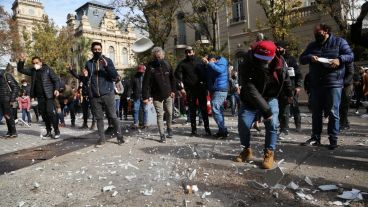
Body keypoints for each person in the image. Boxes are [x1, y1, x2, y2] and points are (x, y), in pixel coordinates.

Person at [234, 40, 292, 169]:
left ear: (273, 55)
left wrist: (289, 94)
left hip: (270, 96)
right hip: (250, 98)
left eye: (266, 60)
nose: (263, 63)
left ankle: (269, 153)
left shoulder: (281, 62)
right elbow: (250, 89)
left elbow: (285, 78)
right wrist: (266, 111)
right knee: (243, 123)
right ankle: (246, 150)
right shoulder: (246, 63)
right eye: (260, 59)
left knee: (272, 124)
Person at [299, 23, 354, 150]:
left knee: (333, 112)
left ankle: (333, 139)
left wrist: (339, 59)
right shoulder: (312, 45)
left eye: (317, 31)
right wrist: (310, 57)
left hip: (333, 83)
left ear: (325, 31)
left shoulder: (339, 42)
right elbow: (301, 59)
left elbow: (350, 56)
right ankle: (315, 138)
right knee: (316, 112)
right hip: (316, 84)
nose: (315, 34)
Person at [84, 42, 124, 145]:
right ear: (92, 50)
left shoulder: (108, 61)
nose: (97, 51)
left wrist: (106, 66)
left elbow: (114, 76)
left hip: (107, 93)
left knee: (113, 116)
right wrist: (84, 76)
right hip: (94, 96)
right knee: (99, 118)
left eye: (99, 49)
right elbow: (87, 80)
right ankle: (102, 138)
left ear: (101, 50)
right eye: (95, 49)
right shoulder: (88, 63)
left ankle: (119, 136)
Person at [17, 54, 61, 139]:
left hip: (48, 95)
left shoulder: (48, 70)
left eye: (37, 62)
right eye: (33, 63)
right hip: (39, 97)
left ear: (41, 62)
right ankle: (48, 131)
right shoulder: (33, 71)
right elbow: (20, 69)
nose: (35, 64)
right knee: (44, 115)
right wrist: (21, 61)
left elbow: (56, 80)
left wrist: (56, 89)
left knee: (50, 112)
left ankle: (56, 130)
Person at [142, 47, 176, 143]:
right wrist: (145, 97)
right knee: (160, 114)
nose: (158, 59)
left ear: (163, 56)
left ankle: (169, 128)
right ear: (154, 57)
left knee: (169, 112)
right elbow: (146, 83)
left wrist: (174, 90)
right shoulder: (150, 67)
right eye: (156, 57)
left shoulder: (167, 65)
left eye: (160, 57)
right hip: (156, 95)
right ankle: (162, 134)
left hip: (168, 93)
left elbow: (173, 78)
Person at [175, 47, 211, 136]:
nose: (188, 54)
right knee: (192, 110)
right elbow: (177, 76)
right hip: (190, 90)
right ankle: (193, 130)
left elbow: (207, 74)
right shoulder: (182, 63)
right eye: (186, 52)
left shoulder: (200, 61)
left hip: (201, 88)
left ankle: (207, 129)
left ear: (193, 52)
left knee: (204, 110)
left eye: (189, 52)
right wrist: (181, 88)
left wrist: (207, 87)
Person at [275, 41, 303, 134]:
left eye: (280, 47)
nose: (278, 49)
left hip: (292, 86)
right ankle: (284, 127)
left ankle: (298, 125)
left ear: (284, 48)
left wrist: (298, 86)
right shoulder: (276, 59)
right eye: (277, 47)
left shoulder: (291, 60)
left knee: (294, 107)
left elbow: (298, 74)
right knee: (283, 108)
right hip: (281, 88)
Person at [203, 54, 229, 138]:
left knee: (215, 108)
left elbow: (220, 70)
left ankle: (223, 130)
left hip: (220, 89)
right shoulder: (214, 64)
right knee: (219, 110)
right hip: (215, 89)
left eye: (210, 61)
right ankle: (222, 131)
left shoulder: (222, 63)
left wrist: (210, 64)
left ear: (214, 59)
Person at [0, 69, 20, 137]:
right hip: (1, 99)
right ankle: (9, 131)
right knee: (6, 116)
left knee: (9, 115)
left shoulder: (6, 75)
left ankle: (13, 132)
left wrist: (12, 99)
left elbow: (15, 87)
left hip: (7, 99)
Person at [130, 64, 148, 129]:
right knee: (135, 109)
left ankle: (145, 123)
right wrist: (128, 95)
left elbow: (148, 87)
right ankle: (136, 123)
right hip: (136, 96)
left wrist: (149, 96)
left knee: (145, 110)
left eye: (142, 71)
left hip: (144, 96)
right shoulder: (134, 77)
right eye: (139, 71)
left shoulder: (146, 77)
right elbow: (131, 86)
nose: (140, 73)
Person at [339, 62, 354, 130]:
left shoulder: (348, 61)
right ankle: (345, 123)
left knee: (344, 106)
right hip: (339, 85)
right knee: (341, 106)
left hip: (347, 86)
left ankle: (343, 124)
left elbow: (350, 74)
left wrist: (343, 83)